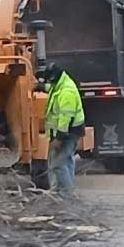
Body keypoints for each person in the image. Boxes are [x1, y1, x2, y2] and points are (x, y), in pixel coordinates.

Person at [39, 63, 85, 196]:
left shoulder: (67, 93)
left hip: (68, 133)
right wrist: (40, 86)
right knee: (67, 161)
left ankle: (65, 195)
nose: (49, 83)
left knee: (58, 164)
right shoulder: (61, 84)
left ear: (54, 78)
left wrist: (59, 138)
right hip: (71, 131)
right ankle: (67, 192)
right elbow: (52, 89)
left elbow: (65, 119)